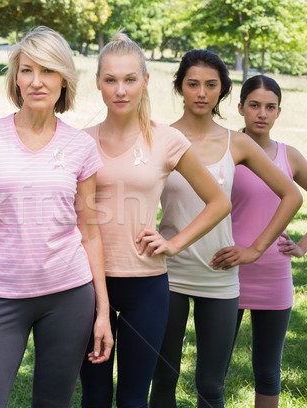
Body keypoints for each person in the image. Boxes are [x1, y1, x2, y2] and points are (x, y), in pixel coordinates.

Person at [0, 26, 113, 408]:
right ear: (16, 78)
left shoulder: (81, 146)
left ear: (64, 79)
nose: (36, 81)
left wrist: (103, 310)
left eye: (48, 71)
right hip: (1, 296)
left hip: (70, 295)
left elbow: (89, 231)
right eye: (27, 70)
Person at [77, 34, 231, 408]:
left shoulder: (167, 140)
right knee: (94, 396)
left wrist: (174, 243)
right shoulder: (79, 142)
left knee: (133, 399)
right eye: (110, 79)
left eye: (130, 79)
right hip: (85, 281)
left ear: (145, 81)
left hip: (146, 286)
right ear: (98, 81)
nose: (120, 89)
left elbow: (218, 201)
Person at [150, 50, 302, 408]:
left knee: (211, 386)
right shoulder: (159, 137)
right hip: (167, 273)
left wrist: (255, 249)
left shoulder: (238, 143)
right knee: (164, 379)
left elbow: (291, 195)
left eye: (211, 85)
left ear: (222, 92)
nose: (202, 92)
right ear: (180, 88)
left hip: (219, 276)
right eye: (193, 84)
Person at [227, 75, 307, 408]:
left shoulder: (290, 157)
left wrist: (303, 246)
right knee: (213, 367)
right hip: (227, 270)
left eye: (270, 107)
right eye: (255, 105)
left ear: (278, 112)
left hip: (274, 274)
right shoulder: (224, 150)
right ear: (241, 108)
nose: (262, 113)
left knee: (268, 369)